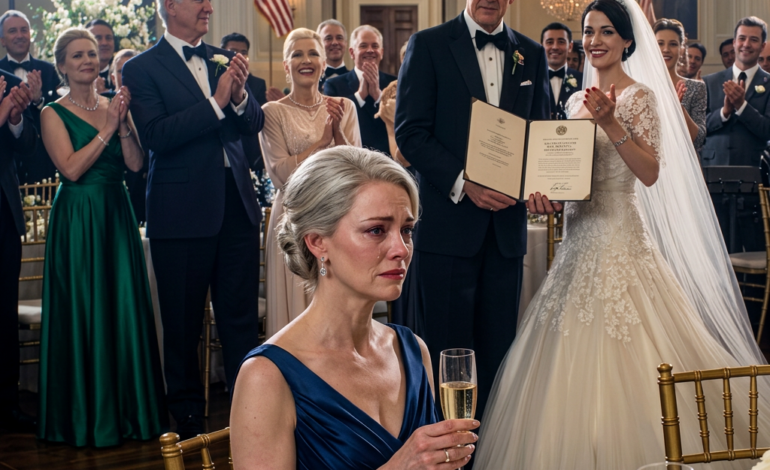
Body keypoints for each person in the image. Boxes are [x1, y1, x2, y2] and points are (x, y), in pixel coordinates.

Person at [473, 1, 770, 468]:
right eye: (588, 31)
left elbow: (650, 173)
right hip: (575, 243)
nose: (593, 40)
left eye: (606, 32)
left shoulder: (640, 97)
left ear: (628, 41)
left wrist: (611, 122)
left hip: (618, 237)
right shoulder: (573, 101)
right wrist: (542, 194)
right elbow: (565, 176)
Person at [230, 146, 479, 469]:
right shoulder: (266, 376)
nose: (401, 249)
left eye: (406, 230)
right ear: (318, 242)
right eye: (376, 230)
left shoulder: (413, 351)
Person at [395, 0, 557, 431]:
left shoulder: (531, 53)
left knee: (498, 350)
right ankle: (443, 447)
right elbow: (410, 131)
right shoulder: (428, 45)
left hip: (505, 230)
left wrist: (545, 184)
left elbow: (539, 130)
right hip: (447, 230)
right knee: (445, 348)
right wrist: (465, 184)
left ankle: (491, 448)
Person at [123, 0, 264, 439]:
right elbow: (158, 137)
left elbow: (254, 123)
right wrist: (218, 100)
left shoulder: (221, 58)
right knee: (183, 323)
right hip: (181, 213)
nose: (208, 6)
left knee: (240, 320)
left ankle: (254, 409)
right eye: (199, 0)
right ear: (170, 7)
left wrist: (239, 97)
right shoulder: (142, 68)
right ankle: (186, 417)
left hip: (237, 207)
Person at [37, 27, 166, 447]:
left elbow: (133, 165)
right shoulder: (51, 113)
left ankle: (130, 412)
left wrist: (123, 123)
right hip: (78, 218)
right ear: (61, 65)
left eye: (92, 54)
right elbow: (71, 169)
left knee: (122, 306)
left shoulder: (114, 106)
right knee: (86, 308)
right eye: (77, 56)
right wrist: (108, 128)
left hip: (117, 214)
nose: (87, 61)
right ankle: (86, 417)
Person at [259, 27, 361, 338]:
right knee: (296, 305)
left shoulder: (345, 107)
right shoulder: (272, 113)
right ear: (286, 65)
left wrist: (339, 137)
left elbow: (358, 173)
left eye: (313, 53)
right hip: (294, 218)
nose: (307, 60)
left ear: (323, 63)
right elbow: (280, 174)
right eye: (297, 54)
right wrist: (320, 144)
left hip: (338, 219)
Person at [701, 17, 770, 252]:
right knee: (714, 249)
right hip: (712, 174)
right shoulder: (710, 82)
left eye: (754, 39)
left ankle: (752, 291)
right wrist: (724, 112)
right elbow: (699, 128)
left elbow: (766, 130)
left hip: (753, 177)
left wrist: (742, 107)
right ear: (734, 41)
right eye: (742, 38)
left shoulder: (768, 84)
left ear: (762, 46)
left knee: (753, 246)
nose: (746, 44)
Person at [0, 71, 37, 433]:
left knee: (5, 314)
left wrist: (14, 120)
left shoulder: (8, 82)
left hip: (4, 217)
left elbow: (27, 146)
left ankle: (8, 403)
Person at [0, 10, 61, 184]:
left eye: (24, 30)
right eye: (12, 31)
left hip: (43, 161)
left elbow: (62, 114)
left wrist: (38, 101)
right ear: (2, 40)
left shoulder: (50, 70)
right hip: (7, 164)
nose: (19, 35)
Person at [325, 25, 395, 156]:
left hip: (388, 161)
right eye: (363, 46)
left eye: (375, 46)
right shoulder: (334, 85)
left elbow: (399, 122)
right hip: (351, 160)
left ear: (382, 52)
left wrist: (379, 97)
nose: (370, 50)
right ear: (352, 53)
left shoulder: (394, 83)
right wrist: (359, 96)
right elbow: (333, 124)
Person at [654, 18, 706, 151]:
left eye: (673, 44)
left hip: (682, 163)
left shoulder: (696, 88)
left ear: (682, 48)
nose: (666, 49)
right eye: (660, 43)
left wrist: (678, 108)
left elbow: (699, 139)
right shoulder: (638, 86)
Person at [111, 48, 147, 224]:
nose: (128, 74)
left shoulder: (154, 104)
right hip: (118, 195)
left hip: (150, 194)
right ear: (112, 78)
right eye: (121, 70)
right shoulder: (102, 107)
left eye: (132, 68)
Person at [542, 22, 583, 119]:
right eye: (549, 42)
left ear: (570, 47)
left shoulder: (582, 79)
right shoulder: (532, 80)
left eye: (561, 42)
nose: (555, 47)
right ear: (542, 46)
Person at [221, 33, 267, 106]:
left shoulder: (258, 84)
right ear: (223, 53)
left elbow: (259, 114)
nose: (239, 56)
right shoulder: (213, 79)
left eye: (243, 52)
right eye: (233, 51)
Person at [316, 19, 349, 92]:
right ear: (319, 45)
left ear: (346, 44)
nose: (334, 42)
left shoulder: (357, 80)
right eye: (328, 38)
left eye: (339, 38)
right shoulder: (312, 82)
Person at [85, 19, 115, 94]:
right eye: (97, 38)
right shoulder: (73, 77)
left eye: (108, 38)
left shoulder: (120, 73)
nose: (104, 43)